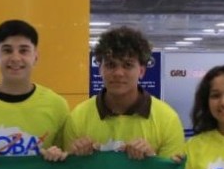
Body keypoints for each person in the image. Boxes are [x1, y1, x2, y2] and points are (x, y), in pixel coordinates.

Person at [0, 20, 68, 164]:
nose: (15, 58)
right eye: (7, 50)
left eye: (24, 50)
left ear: (36, 57)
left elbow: (67, 162)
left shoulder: (57, 106)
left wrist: (59, 155)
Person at [63, 27, 184, 160]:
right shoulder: (78, 118)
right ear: (100, 70)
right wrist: (75, 157)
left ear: (142, 71)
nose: (118, 73)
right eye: (111, 65)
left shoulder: (167, 120)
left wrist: (152, 160)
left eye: (127, 65)